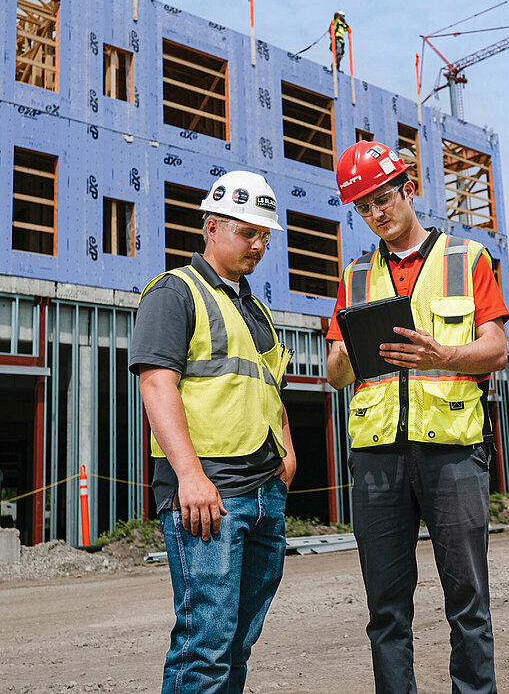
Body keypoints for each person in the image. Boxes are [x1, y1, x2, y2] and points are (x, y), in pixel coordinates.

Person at [326, 140, 509, 694]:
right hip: (379, 457)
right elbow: (335, 372)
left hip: (452, 452)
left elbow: (497, 350)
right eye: (364, 208)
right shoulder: (355, 276)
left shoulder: (467, 259)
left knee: (468, 604)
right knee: (385, 610)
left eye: (383, 198)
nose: (377, 214)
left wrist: (444, 356)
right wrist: (347, 355)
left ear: (408, 188)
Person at [129, 170, 296, 693]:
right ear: (212, 226)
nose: (259, 244)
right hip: (209, 494)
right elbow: (157, 387)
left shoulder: (254, 309)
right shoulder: (176, 292)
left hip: (263, 492)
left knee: (238, 641)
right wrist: (189, 477)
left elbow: (269, 389)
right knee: (206, 644)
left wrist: (286, 458)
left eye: (265, 234)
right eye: (248, 232)